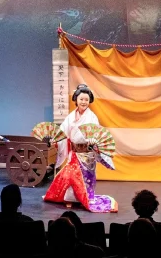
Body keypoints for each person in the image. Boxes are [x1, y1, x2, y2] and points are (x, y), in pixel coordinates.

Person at [43, 84, 117, 212]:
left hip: (88, 155)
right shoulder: (70, 117)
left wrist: (94, 143)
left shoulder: (92, 117)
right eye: (81, 99)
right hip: (74, 153)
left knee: (87, 178)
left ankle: (86, 198)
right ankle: (71, 199)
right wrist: (55, 140)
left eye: (86, 100)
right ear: (76, 99)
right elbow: (62, 133)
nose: (84, 102)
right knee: (70, 176)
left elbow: (97, 134)